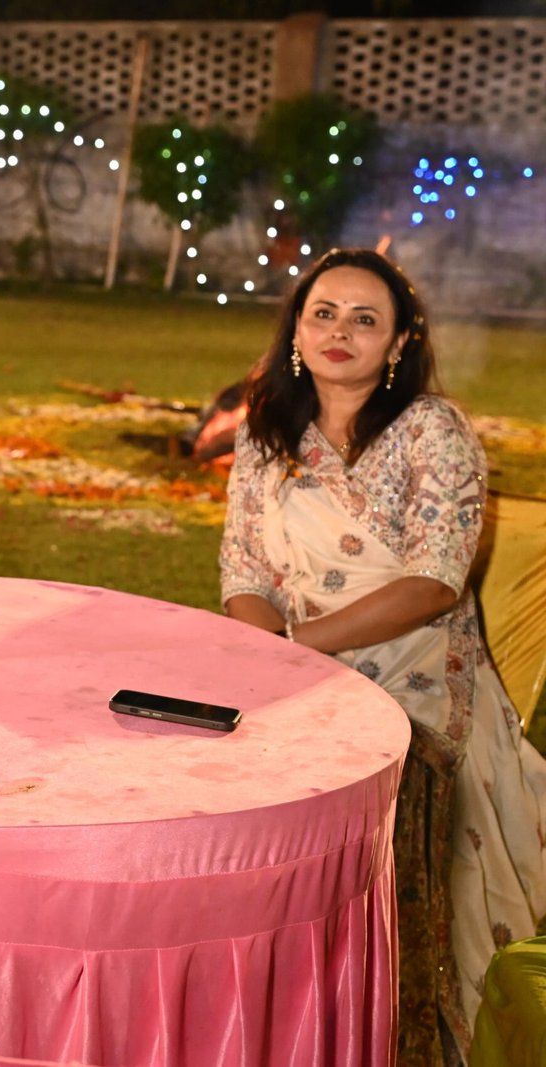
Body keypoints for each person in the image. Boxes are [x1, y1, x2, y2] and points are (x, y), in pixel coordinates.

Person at [219, 248, 546, 1057]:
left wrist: (296, 649)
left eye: (365, 319)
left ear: (399, 343)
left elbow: (434, 582)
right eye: (324, 313)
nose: (341, 332)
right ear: (297, 330)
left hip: (416, 687)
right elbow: (245, 570)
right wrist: (271, 660)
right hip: (294, 678)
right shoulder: (267, 431)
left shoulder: (432, 430)